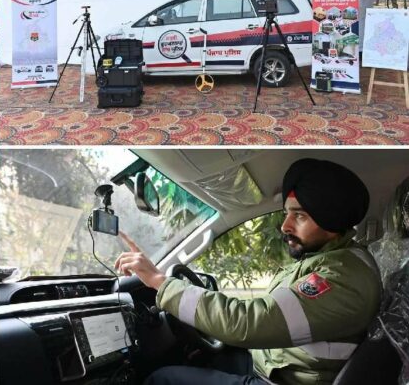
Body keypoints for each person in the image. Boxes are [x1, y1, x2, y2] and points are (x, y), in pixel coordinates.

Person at [114, 158, 381, 385]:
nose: (284, 226)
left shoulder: (343, 277)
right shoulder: (327, 258)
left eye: (299, 216)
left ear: (332, 223)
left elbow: (250, 322)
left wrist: (161, 283)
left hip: (279, 380)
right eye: (287, 214)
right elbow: (268, 311)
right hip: (270, 361)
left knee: (164, 379)